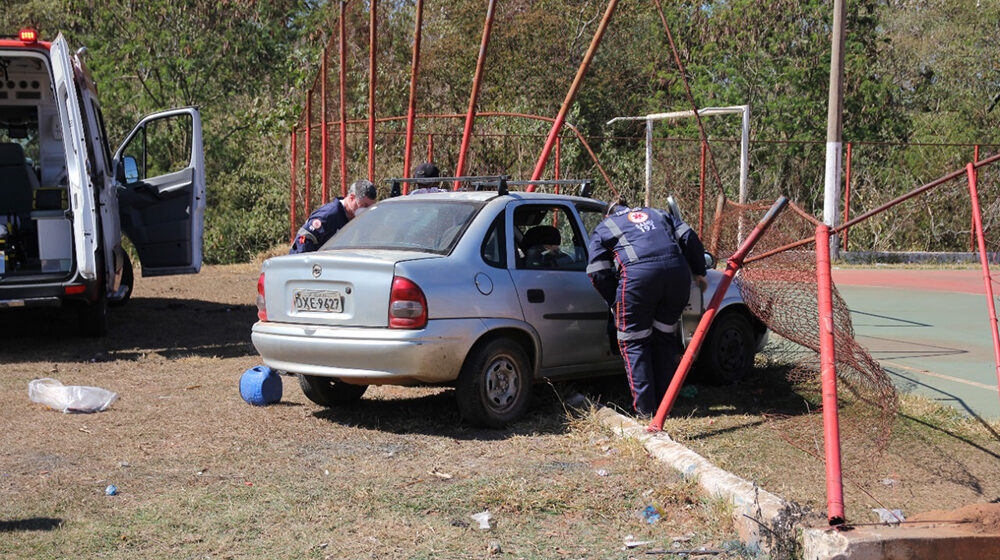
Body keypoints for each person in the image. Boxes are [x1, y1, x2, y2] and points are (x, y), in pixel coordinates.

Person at [586, 201, 708, 416]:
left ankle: (646, 412)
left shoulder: (607, 226)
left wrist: (615, 300)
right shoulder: (658, 214)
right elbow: (689, 238)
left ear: (607, 215)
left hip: (638, 279)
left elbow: (596, 270)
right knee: (664, 337)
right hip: (676, 277)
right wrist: (699, 271)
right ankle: (666, 405)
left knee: (634, 342)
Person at [289, 179, 377, 254]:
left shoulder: (353, 219)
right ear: (352, 198)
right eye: (364, 205)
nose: (366, 209)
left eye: (370, 206)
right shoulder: (330, 214)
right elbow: (304, 238)